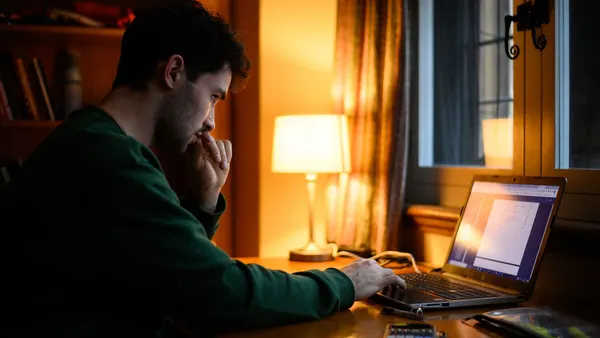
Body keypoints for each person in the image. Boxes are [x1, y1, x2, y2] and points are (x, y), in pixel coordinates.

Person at [1, 1, 405, 337]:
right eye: (213, 96)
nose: (211, 120)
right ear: (173, 71)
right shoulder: (108, 157)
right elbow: (216, 292)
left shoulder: (95, 139)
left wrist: (201, 202)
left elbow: (164, 270)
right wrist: (344, 282)